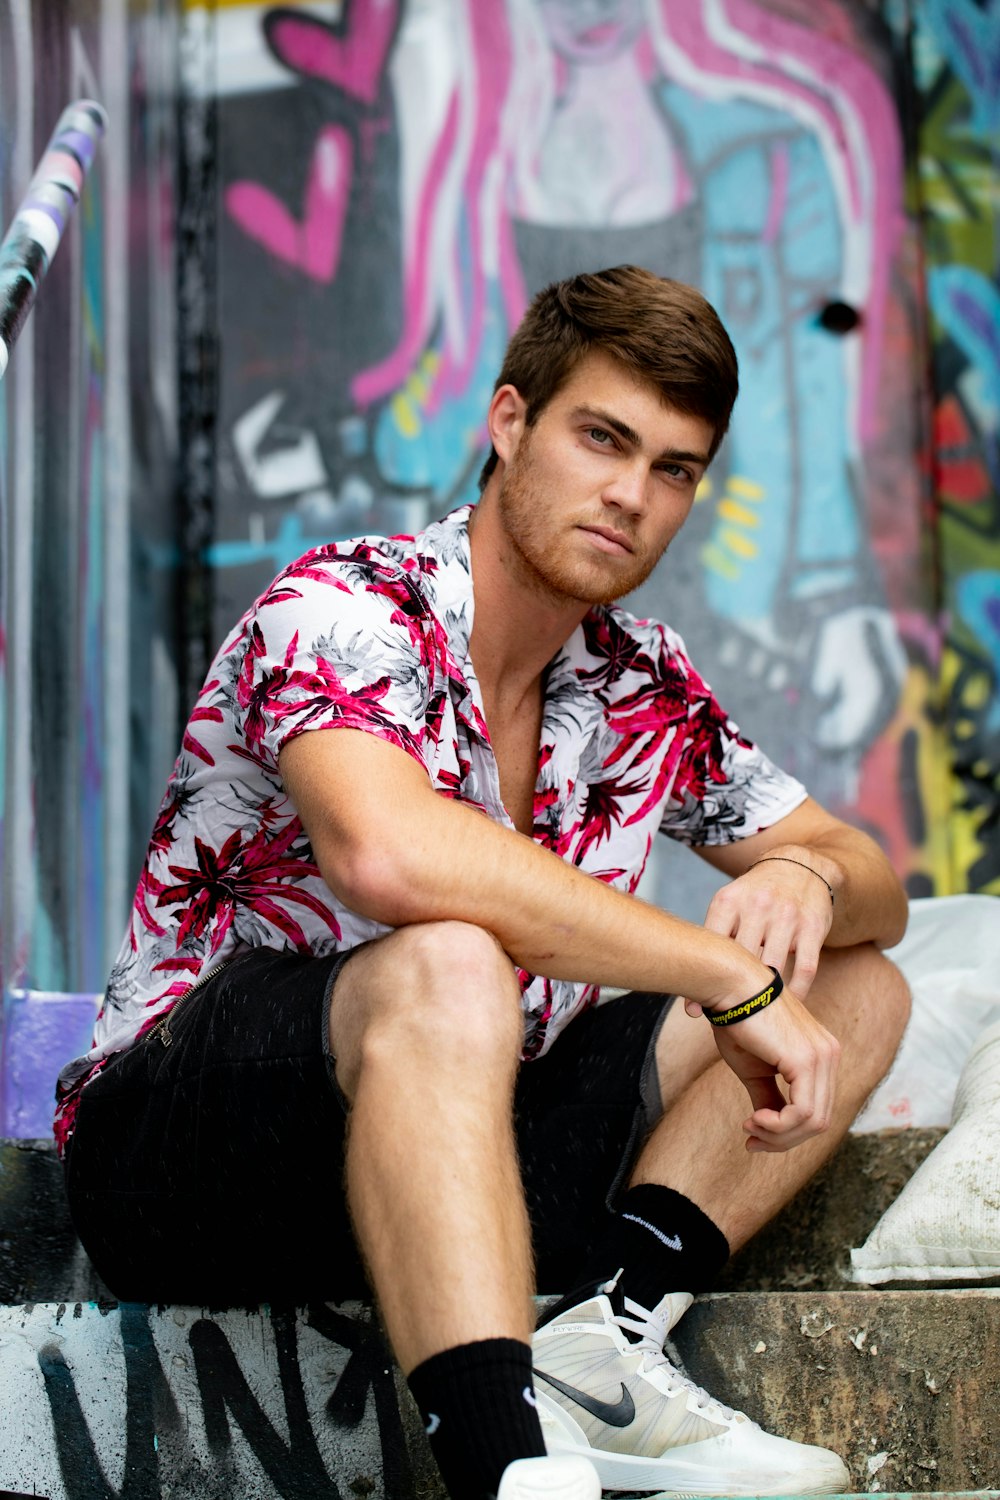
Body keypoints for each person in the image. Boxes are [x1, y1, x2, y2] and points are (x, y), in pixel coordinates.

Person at [56, 266, 910, 1500]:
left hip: (468, 1146)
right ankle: (505, 1472)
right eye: (602, 438)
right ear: (509, 423)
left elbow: (868, 873)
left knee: (852, 984)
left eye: (673, 469)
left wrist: (806, 887)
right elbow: (389, 855)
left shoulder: (636, 682)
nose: (630, 495)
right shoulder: (346, 608)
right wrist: (723, 971)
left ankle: (597, 1354)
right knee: (452, 959)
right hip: (192, 1152)